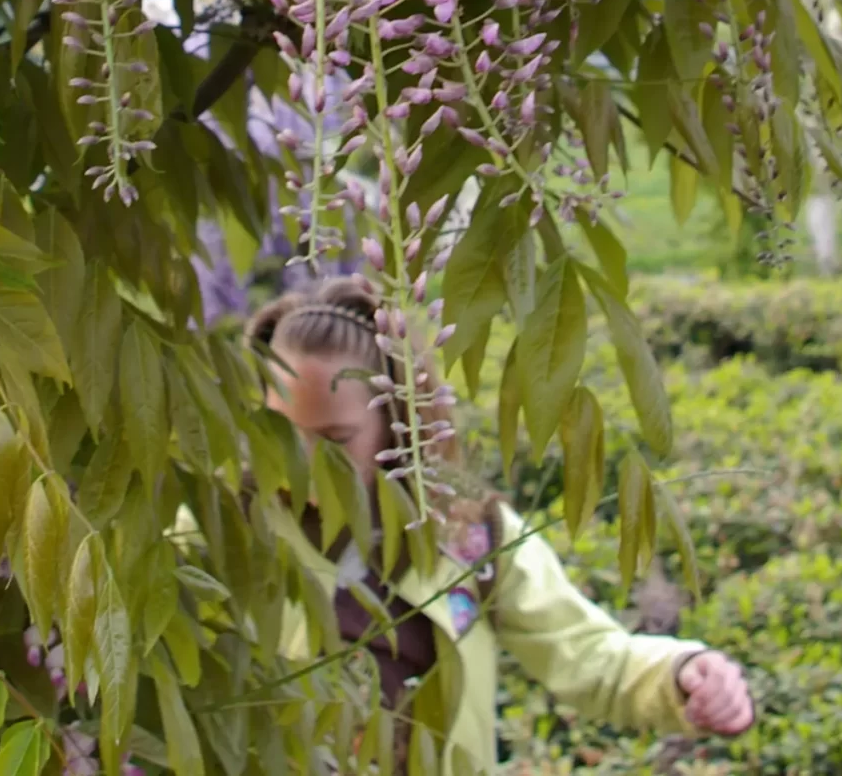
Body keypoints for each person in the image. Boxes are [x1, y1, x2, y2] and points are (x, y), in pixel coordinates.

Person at [247, 278, 754, 775]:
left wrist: (683, 675)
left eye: (336, 440)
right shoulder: (227, 533)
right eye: (282, 435)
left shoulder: (467, 532)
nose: (305, 464)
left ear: (396, 417)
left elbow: (586, 652)